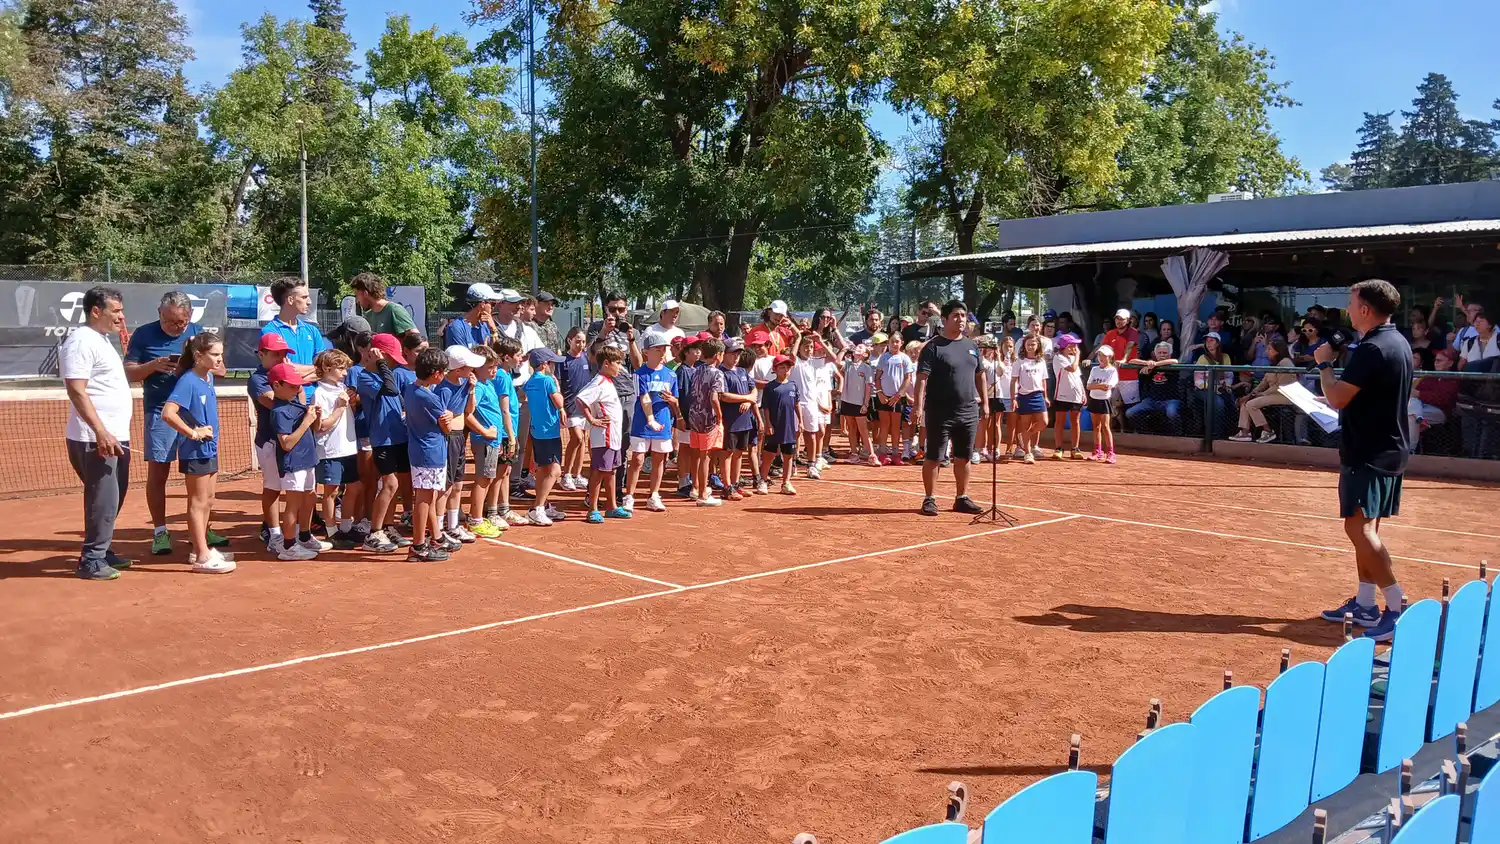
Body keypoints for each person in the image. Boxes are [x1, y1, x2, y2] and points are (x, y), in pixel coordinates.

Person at [1314, 279, 1413, 643]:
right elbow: (1361, 396)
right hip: (1385, 447)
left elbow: (1338, 397)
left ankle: (1396, 606)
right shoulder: (1396, 341)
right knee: (1367, 528)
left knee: (1358, 529)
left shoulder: (1372, 348)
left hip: (1370, 451)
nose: (1349, 308)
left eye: (1352, 303)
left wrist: (1325, 366)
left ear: (1366, 309)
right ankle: (1366, 604)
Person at [126, 290, 229, 556]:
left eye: (181, 322)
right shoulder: (143, 335)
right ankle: (160, 531)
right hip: (161, 410)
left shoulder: (197, 334)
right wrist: (154, 365)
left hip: (195, 413)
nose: (176, 327)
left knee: (203, 476)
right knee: (159, 472)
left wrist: (190, 363)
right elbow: (129, 372)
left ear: (190, 316)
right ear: (160, 313)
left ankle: (203, 530)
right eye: (170, 321)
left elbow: (221, 369)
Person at [61, 287, 135, 580]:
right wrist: (100, 431)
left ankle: (102, 550)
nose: (121, 316)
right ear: (96, 310)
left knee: (115, 495)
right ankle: (91, 559)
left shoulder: (101, 340)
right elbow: (76, 391)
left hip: (114, 434)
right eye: (116, 311)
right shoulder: (80, 341)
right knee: (102, 497)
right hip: (94, 438)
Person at [157, 333, 234, 574]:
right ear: (198, 356)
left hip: (209, 448)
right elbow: (168, 413)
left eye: (221, 354)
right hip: (195, 450)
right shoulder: (189, 381)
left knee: (208, 499)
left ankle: (201, 549)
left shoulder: (207, 377)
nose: (219, 359)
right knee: (198, 502)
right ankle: (201, 555)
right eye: (214, 354)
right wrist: (192, 433)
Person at [913, 301, 987, 515]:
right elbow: (921, 379)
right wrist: (918, 406)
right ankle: (929, 498)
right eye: (956, 316)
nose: (961, 320)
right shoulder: (933, 347)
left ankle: (961, 498)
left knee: (964, 456)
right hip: (939, 411)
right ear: (944, 320)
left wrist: (986, 402)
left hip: (968, 411)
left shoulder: (972, 347)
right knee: (934, 456)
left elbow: (980, 375)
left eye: (963, 315)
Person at [356, 333, 417, 553]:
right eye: (390, 358)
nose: (392, 363)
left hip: (399, 436)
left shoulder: (389, 374)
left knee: (397, 485)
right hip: (383, 439)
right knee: (389, 484)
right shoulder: (365, 378)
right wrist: (381, 362)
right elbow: (390, 388)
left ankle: (389, 526)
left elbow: (398, 395)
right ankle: (374, 533)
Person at [588, 292, 644, 498]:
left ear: (627, 310)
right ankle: (592, 493)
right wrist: (603, 332)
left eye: (621, 309)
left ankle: (616, 491)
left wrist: (631, 341)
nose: (617, 314)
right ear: (606, 309)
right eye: (613, 309)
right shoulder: (596, 328)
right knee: (603, 444)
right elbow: (592, 358)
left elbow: (638, 365)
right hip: (603, 394)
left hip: (627, 393)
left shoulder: (633, 332)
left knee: (623, 444)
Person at [402, 348, 455, 561]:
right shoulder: (430, 398)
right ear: (436, 374)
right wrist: (449, 417)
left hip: (421, 451)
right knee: (424, 499)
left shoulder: (410, 390)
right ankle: (418, 546)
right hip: (430, 453)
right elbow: (447, 428)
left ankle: (434, 537)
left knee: (429, 497)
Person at [268, 362, 324, 561]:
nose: (297, 388)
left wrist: (316, 417)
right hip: (293, 463)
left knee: (310, 498)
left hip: (308, 460)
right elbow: (286, 444)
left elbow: (315, 429)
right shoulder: (279, 411)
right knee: (293, 504)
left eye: (297, 384)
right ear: (277, 385)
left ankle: (304, 536)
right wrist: (307, 421)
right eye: (291, 385)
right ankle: (289, 546)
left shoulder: (295, 404)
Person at [311, 350, 363, 549]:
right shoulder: (320, 393)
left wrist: (352, 402)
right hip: (330, 450)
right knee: (331, 492)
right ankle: (332, 531)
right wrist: (341, 407)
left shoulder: (341, 388)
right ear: (326, 368)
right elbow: (321, 426)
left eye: (345, 368)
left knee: (355, 486)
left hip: (348, 447)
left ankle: (347, 528)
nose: (344, 372)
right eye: (341, 368)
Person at [577, 345, 631, 522]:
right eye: (617, 363)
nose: (620, 367)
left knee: (612, 471)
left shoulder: (608, 382)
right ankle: (592, 509)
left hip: (613, 437)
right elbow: (581, 399)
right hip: (604, 437)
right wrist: (592, 420)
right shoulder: (598, 382)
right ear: (606, 363)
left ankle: (612, 507)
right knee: (599, 472)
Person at [436, 345, 483, 546]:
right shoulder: (443, 389)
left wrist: (471, 390)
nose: (472, 369)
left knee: (457, 485)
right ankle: (437, 529)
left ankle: (453, 526)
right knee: (445, 488)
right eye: (469, 366)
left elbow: (468, 411)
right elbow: (442, 418)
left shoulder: (464, 383)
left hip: (458, 438)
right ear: (457, 370)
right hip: (448, 439)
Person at [626, 334, 678, 512]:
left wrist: (673, 401)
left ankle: (653, 495)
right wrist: (650, 420)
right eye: (658, 349)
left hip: (663, 424)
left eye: (664, 348)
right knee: (638, 460)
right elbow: (644, 398)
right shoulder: (639, 374)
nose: (663, 351)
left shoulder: (671, 374)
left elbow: (675, 400)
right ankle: (629, 496)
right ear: (646, 352)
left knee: (659, 459)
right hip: (642, 424)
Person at [465, 344, 510, 538]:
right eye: (489, 367)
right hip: (484, 440)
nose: (494, 370)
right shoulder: (479, 388)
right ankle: (475, 519)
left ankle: (478, 517)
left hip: (492, 441)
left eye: (495, 366)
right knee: (483, 480)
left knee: (488, 478)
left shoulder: (489, 384)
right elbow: (468, 412)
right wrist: (485, 432)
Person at [522, 347, 568, 525]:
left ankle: (543, 505)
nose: (553, 366)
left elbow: (524, 396)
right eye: (551, 363)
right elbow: (559, 402)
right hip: (549, 431)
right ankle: (538, 508)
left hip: (537, 431)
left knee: (543, 469)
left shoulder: (530, 382)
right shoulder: (548, 380)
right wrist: (556, 386)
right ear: (543, 365)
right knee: (555, 470)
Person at [260, 276, 326, 401]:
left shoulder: (312, 331)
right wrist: (315, 370)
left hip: (315, 401)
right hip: (288, 403)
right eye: (304, 297)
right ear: (290, 300)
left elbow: (326, 367)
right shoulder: (270, 332)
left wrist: (295, 376)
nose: (309, 302)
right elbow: (279, 371)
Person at [487, 336, 529, 526]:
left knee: (505, 471)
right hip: (505, 432)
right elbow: (504, 408)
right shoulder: (502, 377)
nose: (521, 358)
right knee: (500, 472)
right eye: (518, 355)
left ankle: (503, 508)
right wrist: (511, 435)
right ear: (505, 357)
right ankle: (493, 511)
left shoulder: (504, 375)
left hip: (507, 430)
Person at [1229, 337, 1298, 443]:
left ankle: (1268, 431)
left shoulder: (1286, 362)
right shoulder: (1273, 364)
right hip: (1272, 394)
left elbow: (1281, 386)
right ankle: (1244, 432)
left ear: (1278, 351)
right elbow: (1262, 384)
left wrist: (1262, 394)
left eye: (1269, 349)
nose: (1266, 351)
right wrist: (1251, 394)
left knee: (1251, 404)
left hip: (1285, 395)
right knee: (1246, 402)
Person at [688, 338, 728, 505]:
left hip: (694, 416)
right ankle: (703, 494)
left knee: (696, 454)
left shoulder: (696, 370)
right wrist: (719, 416)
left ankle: (695, 488)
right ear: (718, 355)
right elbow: (714, 397)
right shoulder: (717, 373)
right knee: (705, 456)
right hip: (707, 419)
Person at [718, 342, 758, 499]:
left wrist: (749, 401)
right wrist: (746, 398)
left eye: (738, 354)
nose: (735, 357)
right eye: (732, 353)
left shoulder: (742, 371)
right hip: (729, 420)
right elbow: (723, 395)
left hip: (744, 420)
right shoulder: (720, 372)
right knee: (727, 453)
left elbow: (753, 389)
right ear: (725, 354)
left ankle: (735, 485)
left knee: (739, 453)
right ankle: (727, 487)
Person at [759, 354, 801, 494]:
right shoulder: (770, 387)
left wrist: (800, 422)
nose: (785, 370)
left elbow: (796, 405)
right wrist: (768, 424)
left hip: (789, 426)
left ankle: (786, 483)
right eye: (782, 367)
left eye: (787, 367)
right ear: (775, 370)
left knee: (788, 455)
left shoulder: (793, 386)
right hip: (775, 426)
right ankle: (763, 481)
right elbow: (766, 407)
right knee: (769, 454)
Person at [789, 334, 829, 480]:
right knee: (794, 434)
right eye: (806, 347)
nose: (809, 350)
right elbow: (792, 355)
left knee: (811, 434)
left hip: (811, 403)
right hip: (795, 403)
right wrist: (798, 337)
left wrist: (820, 341)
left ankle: (811, 465)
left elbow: (833, 358)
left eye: (811, 347)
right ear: (799, 348)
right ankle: (792, 464)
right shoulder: (795, 362)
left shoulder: (815, 363)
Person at [558, 326, 593, 491]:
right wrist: (561, 407)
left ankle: (577, 475)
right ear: (569, 340)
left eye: (583, 341)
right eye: (578, 341)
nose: (581, 344)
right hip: (570, 404)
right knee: (577, 438)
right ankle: (566, 475)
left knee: (583, 441)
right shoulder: (562, 361)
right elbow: (558, 385)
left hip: (585, 405)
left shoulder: (586, 358)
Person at [1125, 343, 1184, 435]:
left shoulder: (1171, 366)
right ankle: (1146, 432)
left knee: (1171, 413)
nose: (1162, 355)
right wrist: (1147, 363)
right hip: (1151, 401)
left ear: (1169, 354)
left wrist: (1155, 364)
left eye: (1165, 353)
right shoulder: (1149, 365)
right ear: (1155, 354)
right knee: (1130, 412)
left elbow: (1175, 361)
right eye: (1160, 353)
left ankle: (1178, 434)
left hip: (1170, 400)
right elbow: (1131, 361)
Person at [874, 332, 915, 464]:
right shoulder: (884, 358)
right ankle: (882, 453)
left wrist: (898, 395)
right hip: (883, 397)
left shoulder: (905, 359)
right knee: (884, 425)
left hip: (897, 398)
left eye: (897, 341)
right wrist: (880, 393)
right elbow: (878, 377)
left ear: (901, 343)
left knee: (896, 427)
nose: (894, 344)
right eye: (892, 341)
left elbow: (907, 378)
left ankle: (896, 453)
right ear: (888, 343)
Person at [1010, 333, 1049, 464]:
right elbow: (1013, 381)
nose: (1031, 347)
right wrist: (1013, 398)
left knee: (1044, 422)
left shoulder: (1041, 361)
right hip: (1023, 396)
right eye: (1028, 344)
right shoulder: (1019, 361)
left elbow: (1044, 381)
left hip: (1038, 395)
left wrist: (1045, 396)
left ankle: (1024, 436)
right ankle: (1028, 453)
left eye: (1033, 344)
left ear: (1038, 345)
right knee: (1025, 424)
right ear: (1024, 346)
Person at [840, 343, 877, 465]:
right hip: (846, 400)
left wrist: (865, 404)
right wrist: (844, 349)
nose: (857, 348)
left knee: (863, 430)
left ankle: (871, 454)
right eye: (857, 346)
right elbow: (836, 362)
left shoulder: (867, 368)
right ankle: (854, 453)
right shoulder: (848, 364)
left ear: (865, 354)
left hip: (859, 403)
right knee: (851, 428)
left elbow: (868, 388)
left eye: (861, 347)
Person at [1050, 335, 1086, 459]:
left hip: (1076, 395)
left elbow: (1078, 377)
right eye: (1071, 345)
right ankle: (1058, 448)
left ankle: (1075, 448)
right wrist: (1077, 356)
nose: (1074, 348)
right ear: (1064, 347)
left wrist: (1083, 393)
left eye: (1075, 345)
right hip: (1062, 394)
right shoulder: (1058, 358)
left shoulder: (1072, 358)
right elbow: (1072, 368)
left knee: (1075, 421)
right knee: (1059, 421)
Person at [352, 272, 417, 337]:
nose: (357, 301)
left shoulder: (394, 310)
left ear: (366, 293)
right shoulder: (368, 315)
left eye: (357, 295)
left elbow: (415, 338)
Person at [1102, 308, 1141, 411]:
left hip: (1129, 377)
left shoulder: (1133, 332)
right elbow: (1102, 349)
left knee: (1132, 408)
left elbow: (1130, 346)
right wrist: (1089, 358)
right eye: (1117, 318)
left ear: (1128, 321)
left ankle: (1133, 428)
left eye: (1122, 319)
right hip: (1112, 376)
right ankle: (1117, 428)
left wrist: (1124, 359)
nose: (1118, 321)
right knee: (1113, 407)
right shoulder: (1110, 333)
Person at [1085, 345, 1118, 462]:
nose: (1101, 358)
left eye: (1104, 355)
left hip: (1104, 401)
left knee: (1105, 427)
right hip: (1094, 399)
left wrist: (1096, 386)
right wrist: (1099, 386)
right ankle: (1097, 451)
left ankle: (1110, 453)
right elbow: (1089, 386)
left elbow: (1108, 387)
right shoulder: (1094, 369)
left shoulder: (1112, 370)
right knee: (1096, 427)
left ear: (1109, 357)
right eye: (1099, 355)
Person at [444, 283, 501, 349]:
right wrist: (484, 352)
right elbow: (461, 357)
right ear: (482, 304)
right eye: (493, 304)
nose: (494, 308)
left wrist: (493, 330)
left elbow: (497, 353)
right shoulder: (456, 327)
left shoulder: (486, 325)